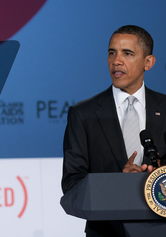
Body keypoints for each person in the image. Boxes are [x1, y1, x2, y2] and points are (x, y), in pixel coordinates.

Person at [62, 25, 166, 237]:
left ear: (148, 62)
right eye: (112, 53)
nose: (116, 61)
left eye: (127, 53)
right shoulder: (83, 114)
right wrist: (119, 184)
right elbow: (72, 184)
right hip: (106, 231)